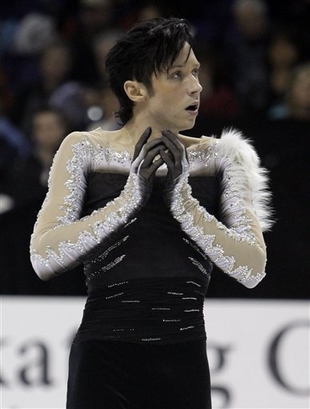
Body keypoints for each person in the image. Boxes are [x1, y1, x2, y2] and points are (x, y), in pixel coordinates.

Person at [30, 17, 273, 409]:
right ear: (135, 89)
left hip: (183, 358)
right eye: (177, 75)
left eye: (195, 72)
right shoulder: (84, 149)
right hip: (103, 358)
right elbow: (43, 258)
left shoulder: (222, 157)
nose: (195, 86)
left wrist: (184, 205)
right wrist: (129, 200)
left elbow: (252, 269)